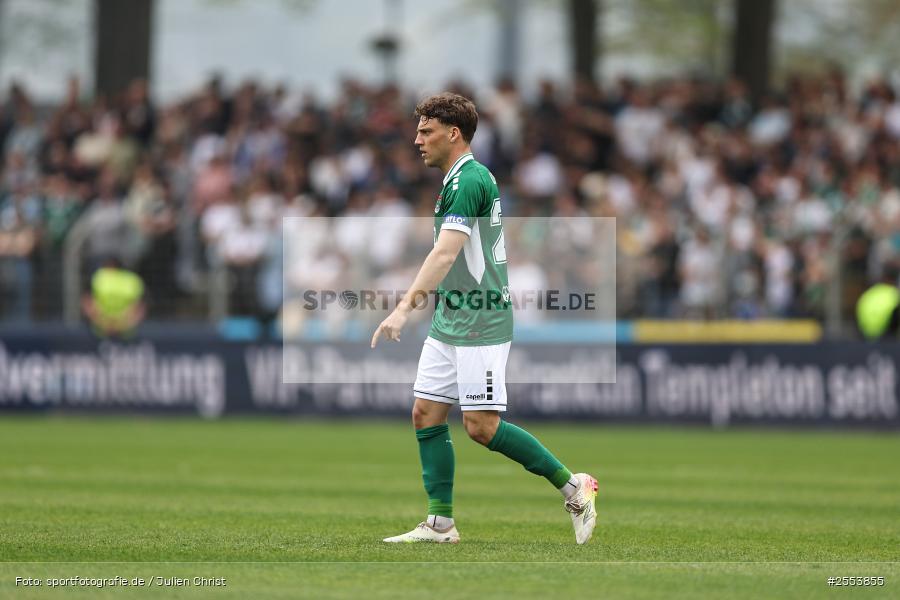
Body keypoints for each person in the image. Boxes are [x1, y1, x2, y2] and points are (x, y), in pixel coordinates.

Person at [371, 93, 598, 545]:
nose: (417, 140)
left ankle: (575, 487)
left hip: (481, 319)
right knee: (425, 412)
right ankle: (440, 524)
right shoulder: (457, 180)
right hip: (452, 318)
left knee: (480, 426)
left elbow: (446, 252)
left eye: (426, 131)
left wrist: (403, 308)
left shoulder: (470, 179)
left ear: (453, 134)